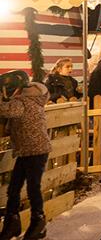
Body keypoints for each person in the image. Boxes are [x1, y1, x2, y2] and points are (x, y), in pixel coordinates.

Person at [0, 71, 51, 240]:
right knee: (14, 187)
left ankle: (38, 222)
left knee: (32, 187)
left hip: (34, 150)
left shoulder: (21, 101)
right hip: (30, 150)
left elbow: (5, 110)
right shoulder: (33, 98)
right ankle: (12, 222)